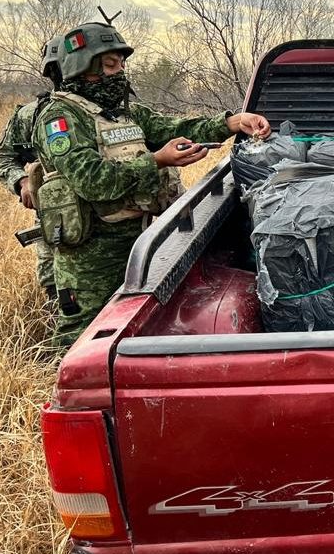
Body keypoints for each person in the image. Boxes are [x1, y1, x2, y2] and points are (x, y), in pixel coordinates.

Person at [32, 21, 271, 348]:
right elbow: (92, 180)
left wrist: (231, 123)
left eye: (121, 64)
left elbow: (175, 126)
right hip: (89, 253)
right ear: (84, 68)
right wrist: (157, 160)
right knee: (81, 338)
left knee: (128, 329)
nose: (120, 72)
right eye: (110, 65)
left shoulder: (122, 111)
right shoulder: (60, 118)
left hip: (139, 240)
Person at [0, 34, 64, 302]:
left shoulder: (112, 112)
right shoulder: (31, 115)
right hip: (58, 224)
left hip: (117, 228)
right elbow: (2, 158)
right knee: (59, 295)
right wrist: (21, 181)